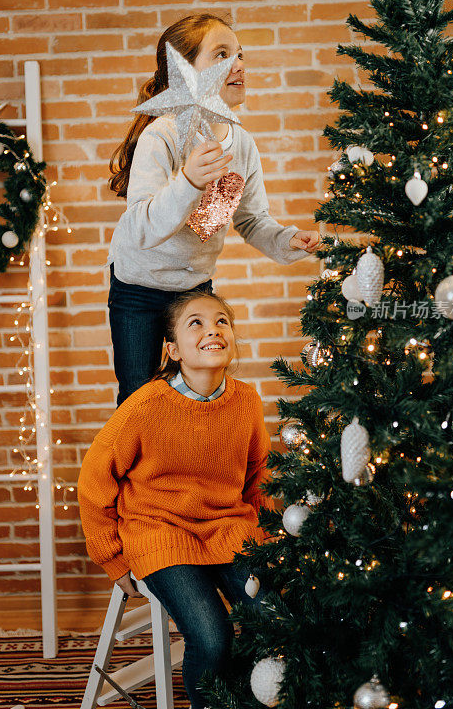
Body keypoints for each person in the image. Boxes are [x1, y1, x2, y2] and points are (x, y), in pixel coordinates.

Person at [107, 12, 320, 405]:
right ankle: (139, 467)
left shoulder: (242, 145)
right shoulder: (163, 136)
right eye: (222, 54)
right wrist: (188, 182)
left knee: (199, 389)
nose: (238, 64)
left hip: (193, 287)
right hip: (139, 285)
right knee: (138, 394)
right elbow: (140, 227)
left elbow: (252, 221)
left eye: (240, 54)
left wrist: (290, 240)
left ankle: (189, 463)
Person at [78, 290, 274, 709]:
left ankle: (251, 700)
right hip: (160, 532)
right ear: (173, 350)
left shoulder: (247, 402)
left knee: (273, 617)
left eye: (222, 321)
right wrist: (111, 555)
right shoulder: (144, 406)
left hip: (227, 528)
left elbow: (259, 476)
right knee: (212, 635)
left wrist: (267, 539)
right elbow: (95, 478)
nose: (212, 330)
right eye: (196, 323)